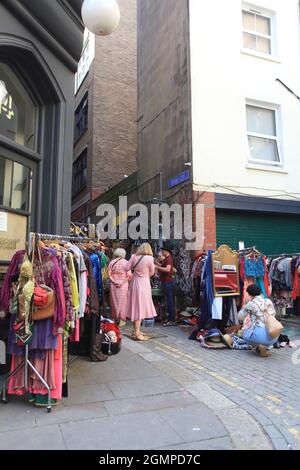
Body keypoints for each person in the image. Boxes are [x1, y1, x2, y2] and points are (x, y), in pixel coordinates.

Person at [126, 243, 157, 341]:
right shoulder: (149, 258)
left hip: (134, 283)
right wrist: (144, 274)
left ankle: (135, 330)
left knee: (136, 306)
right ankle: (137, 333)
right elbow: (152, 272)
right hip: (144, 283)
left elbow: (127, 268)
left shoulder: (134, 256)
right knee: (141, 307)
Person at [238, 284, 279, 357]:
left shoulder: (251, 304)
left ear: (250, 294)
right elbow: (274, 313)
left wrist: (245, 305)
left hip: (259, 336)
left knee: (244, 333)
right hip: (274, 334)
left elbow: (240, 317)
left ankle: (259, 345)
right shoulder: (268, 301)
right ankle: (266, 346)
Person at [155, 243, 176, 326]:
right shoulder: (166, 258)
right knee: (167, 301)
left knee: (169, 301)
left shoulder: (168, 258)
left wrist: (156, 267)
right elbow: (163, 266)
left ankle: (172, 320)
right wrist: (156, 263)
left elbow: (167, 269)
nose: (161, 251)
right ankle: (169, 318)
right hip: (165, 282)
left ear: (166, 251)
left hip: (168, 282)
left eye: (162, 250)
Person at [108, 248, 131, 327]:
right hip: (123, 284)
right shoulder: (127, 262)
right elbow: (129, 276)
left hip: (113, 284)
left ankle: (114, 319)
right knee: (123, 301)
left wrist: (114, 281)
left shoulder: (112, 262)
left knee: (114, 301)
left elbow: (109, 274)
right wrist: (121, 282)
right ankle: (122, 320)